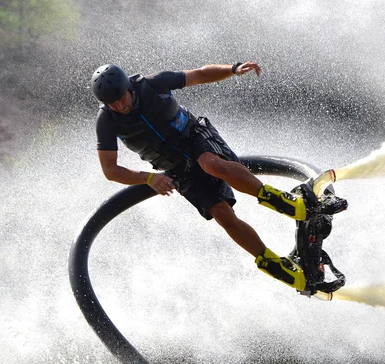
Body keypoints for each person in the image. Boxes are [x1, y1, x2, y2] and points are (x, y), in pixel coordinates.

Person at [91, 62, 310, 293]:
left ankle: (277, 199)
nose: (120, 105)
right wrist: (148, 178)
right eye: (112, 103)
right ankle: (272, 263)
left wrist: (233, 69)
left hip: (195, 136)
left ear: (129, 88)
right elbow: (110, 170)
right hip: (176, 167)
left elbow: (199, 74)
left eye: (121, 98)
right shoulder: (106, 121)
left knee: (210, 164)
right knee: (222, 214)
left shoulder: (153, 84)